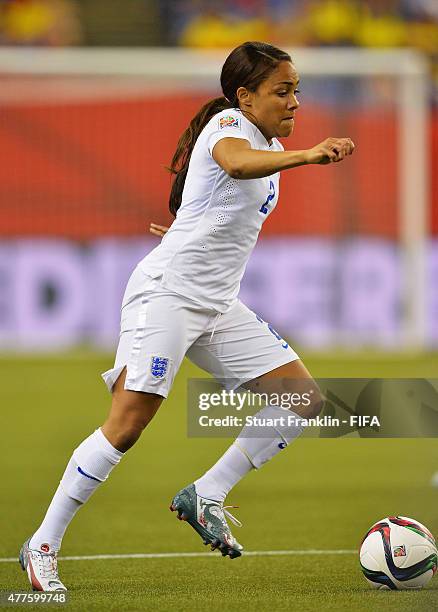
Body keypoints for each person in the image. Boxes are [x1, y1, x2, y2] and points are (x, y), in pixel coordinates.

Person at [19, 41, 354, 591]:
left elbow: (209, 200)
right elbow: (234, 164)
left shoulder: (267, 146)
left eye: (297, 90)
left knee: (302, 400)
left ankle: (208, 493)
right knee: (127, 424)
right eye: (282, 91)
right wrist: (310, 154)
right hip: (169, 295)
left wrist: (186, 230)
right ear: (245, 97)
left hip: (217, 304)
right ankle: (43, 544)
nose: (295, 102)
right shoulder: (230, 127)